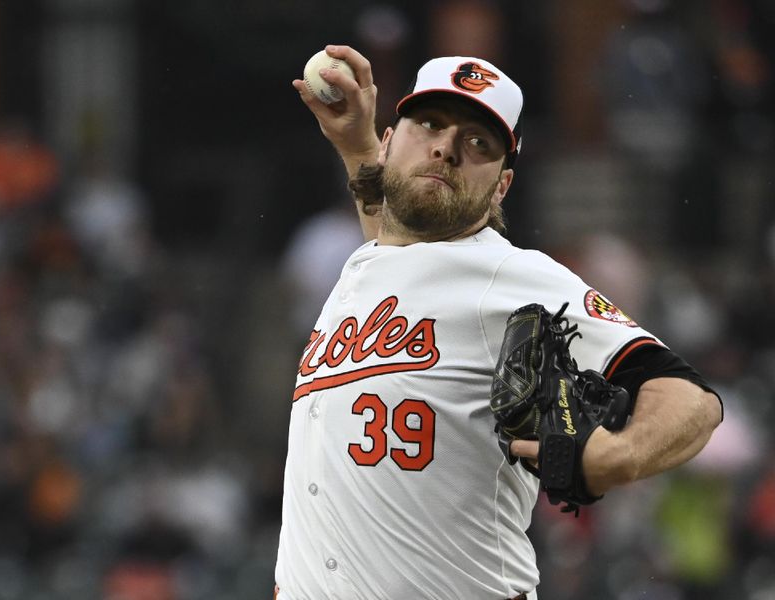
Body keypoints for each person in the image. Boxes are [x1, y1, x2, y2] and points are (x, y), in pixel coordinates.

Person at [275, 45, 723, 600]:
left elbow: (693, 401)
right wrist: (355, 144)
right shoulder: (376, 260)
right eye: (429, 125)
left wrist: (619, 455)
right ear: (390, 141)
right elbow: (400, 240)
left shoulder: (510, 275)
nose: (445, 148)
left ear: (501, 188)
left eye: (478, 143)